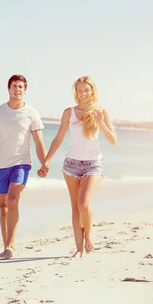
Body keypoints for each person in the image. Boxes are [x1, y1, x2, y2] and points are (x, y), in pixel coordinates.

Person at [37, 76, 117, 258]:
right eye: (80, 91)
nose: (83, 94)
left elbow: (113, 140)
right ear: (76, 92)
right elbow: (59, 138)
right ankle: (79, 249)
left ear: (92, 91)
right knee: (75, 207)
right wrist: (46, 161)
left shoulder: (101, 112)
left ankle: (88, 234)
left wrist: (101, 123)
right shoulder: (69, 113)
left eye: (86, 90)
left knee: (84, 204)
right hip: (71, 164)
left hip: (93, 165)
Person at [0, 74, 47, 259]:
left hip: (21, 163)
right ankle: (6, 244)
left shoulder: (31, 113)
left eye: (21, 87)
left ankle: (10, 246)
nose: (18, 89)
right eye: (15, 86)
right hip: (0, 164)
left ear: (25, 90)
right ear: (9, 88)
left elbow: (39, 143)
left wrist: (44, 163)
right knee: (3, 206)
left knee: (13, 198)